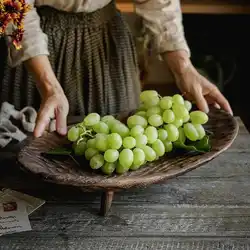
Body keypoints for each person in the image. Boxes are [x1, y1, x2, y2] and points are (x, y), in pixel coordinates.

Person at [0, 0, 232, 138]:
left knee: (119, 139)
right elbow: (12, 7)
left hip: (106, 42)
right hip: (36, 50)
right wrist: (48, 85)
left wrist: (183, 68)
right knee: (30, 148)